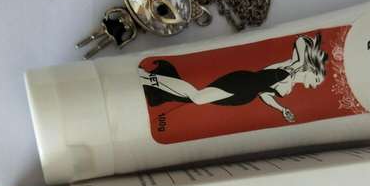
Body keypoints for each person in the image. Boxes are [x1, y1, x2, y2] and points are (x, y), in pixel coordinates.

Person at [139, 33, 329, 123]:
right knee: (197, 98)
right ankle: (149, 78)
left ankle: (158, 81)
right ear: (312, 71)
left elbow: (264, 94)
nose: (313, 86)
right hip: (242, 82)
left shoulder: (289, 88)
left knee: (194, 99)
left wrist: (282, 109)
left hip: (244, 96)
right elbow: (301, 40)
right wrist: (300, 63)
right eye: (316, 81)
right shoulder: (293, 63)